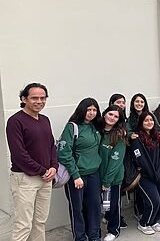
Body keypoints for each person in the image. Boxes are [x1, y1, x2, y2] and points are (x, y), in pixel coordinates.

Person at [6, 83, 57, 241]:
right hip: (25, 179)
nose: (39, 101)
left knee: (39, 222)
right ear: (24, 99)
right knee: (24, 225)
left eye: (43, 98)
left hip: (46, 178)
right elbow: (19, 154)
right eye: (34, 98)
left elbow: (51, 146)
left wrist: (54, 167)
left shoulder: (45, 120)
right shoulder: (15, 121)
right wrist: (43, 170)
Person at [58, 98, 102, 241]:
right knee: (78, 208)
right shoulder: (72, 127)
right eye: (89, 109)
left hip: (94, 174)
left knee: (95, 206)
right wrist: (75, 175)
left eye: (94, 110)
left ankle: (94, 235)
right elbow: (64, 153)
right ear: (82, 109)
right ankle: (80, 237)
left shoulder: (96, 127)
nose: (91, 113)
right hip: (77, 176)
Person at [131, 112, 160, 235]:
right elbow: (140, 159)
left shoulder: (157, 137)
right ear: (141, 123)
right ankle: (144, 223)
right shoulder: (137, 139)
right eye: (146, 120)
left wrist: (159, 172)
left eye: (151, 120)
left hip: (158, 175)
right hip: (145, 176)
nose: (149, 122)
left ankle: (153, 221)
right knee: (154, 200)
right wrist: (152, 173)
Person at [99, 105, 127, 241]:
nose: (112, 118)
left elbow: (115, 161)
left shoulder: (119, 136)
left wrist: (107, 181)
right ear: (104, 114)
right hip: (95, 176)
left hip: (113, 178)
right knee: (99, 206)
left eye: (116, 116)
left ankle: (113, 230)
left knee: (113, 205)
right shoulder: (97, 131)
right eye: (110, 114)